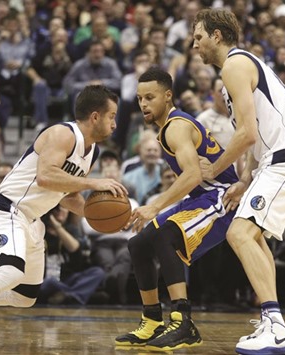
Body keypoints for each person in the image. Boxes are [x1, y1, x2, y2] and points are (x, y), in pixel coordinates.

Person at [0, 85, 128, 353]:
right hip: (6, 209)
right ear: (95, 116)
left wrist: (105, 216)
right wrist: (94, 182)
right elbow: (45, 176)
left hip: (31, 219)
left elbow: (67, 196)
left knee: (24, 297)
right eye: (112, 116)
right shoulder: (62, 134)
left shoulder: (92, 152)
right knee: (9, 272)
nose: (115, 123)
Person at [193, 9, 285, 354]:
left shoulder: (235, 65)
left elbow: (247, 134)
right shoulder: (236, 71)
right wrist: (244, 179)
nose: (195, 46)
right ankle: (273, 323)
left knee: (239, 233)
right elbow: (256, 132)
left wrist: (215, 167)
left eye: (199, 37)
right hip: (280, 158)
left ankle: (276, 327)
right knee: (253, 235)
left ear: (217, 36)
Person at [114, 67, 239, 351]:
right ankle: (152, 319)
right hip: (199, 197)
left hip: (222, 198)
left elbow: (193, 175)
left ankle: (183, 321)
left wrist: (155, 205)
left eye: (150, 97)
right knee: (138, 245)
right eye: (140, 98)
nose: (144, 104)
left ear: (168, 96)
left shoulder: (176, 126)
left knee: (163, 236)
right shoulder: (166, 129)